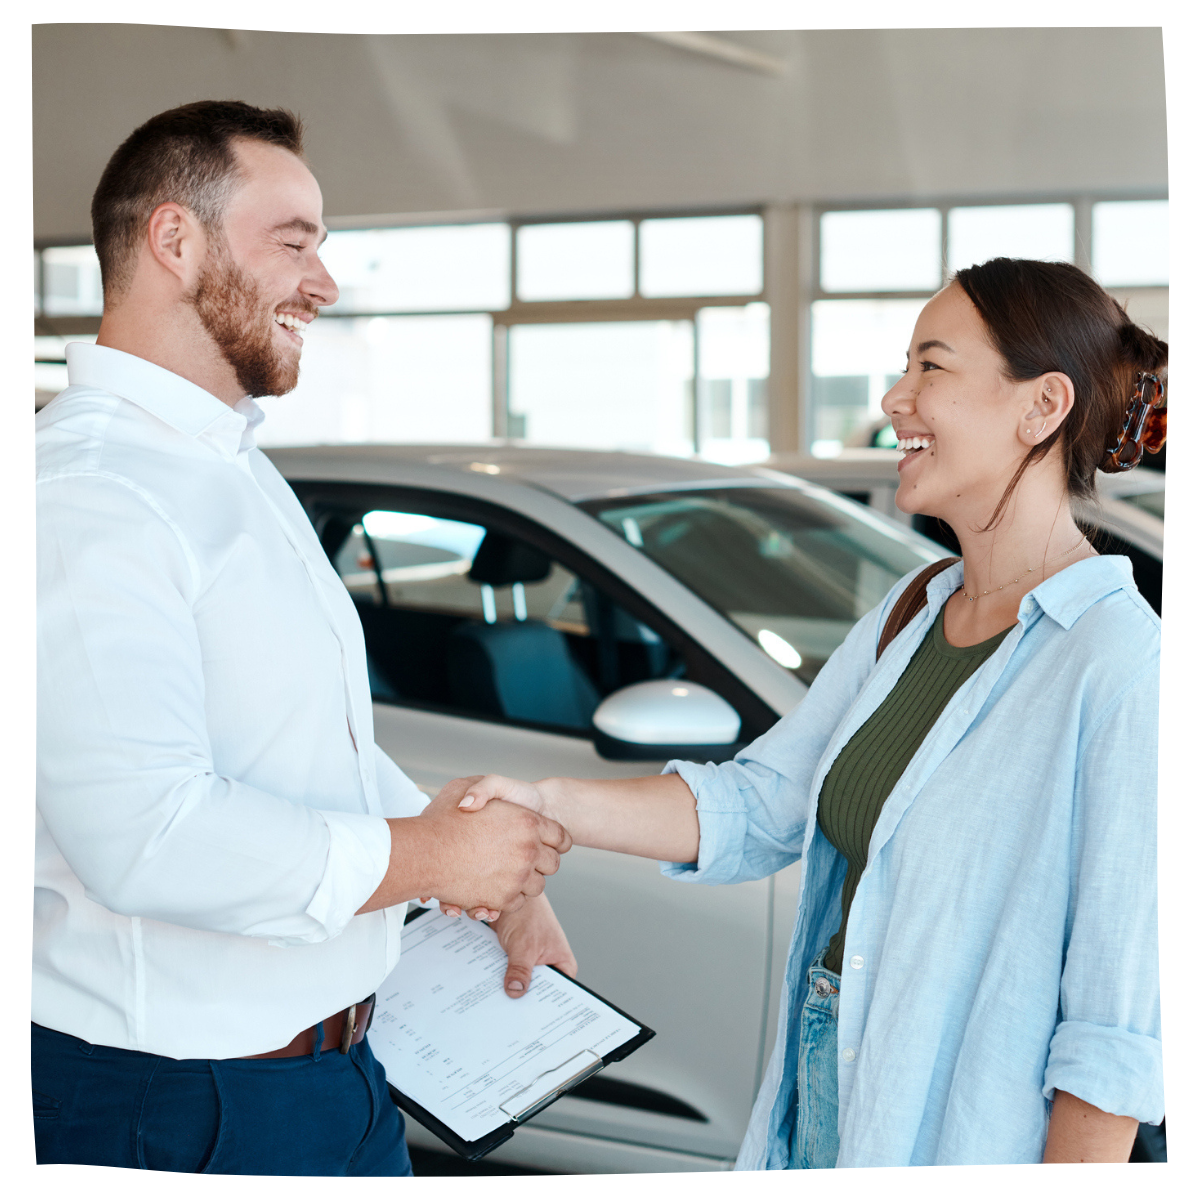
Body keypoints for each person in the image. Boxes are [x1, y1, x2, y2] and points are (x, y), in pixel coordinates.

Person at [448, 258, 1164, 1167]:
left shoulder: (1113, 659)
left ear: (1042, 405)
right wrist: (545, 801)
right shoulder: (913, 609)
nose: (896, 397)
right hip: (828, 1078)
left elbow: (1114, 1029)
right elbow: (762, 803)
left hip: (958, 1122)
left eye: (931, 367)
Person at [33, 100, 576, 1176]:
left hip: (336, 1075)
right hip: (179, 1108)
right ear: (174, 241)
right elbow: (147, 833)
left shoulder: (231, 462)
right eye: (295, 242)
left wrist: (471, 874)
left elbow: (304, 752)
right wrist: (431, 853)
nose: (324, 282)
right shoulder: (94, 492)